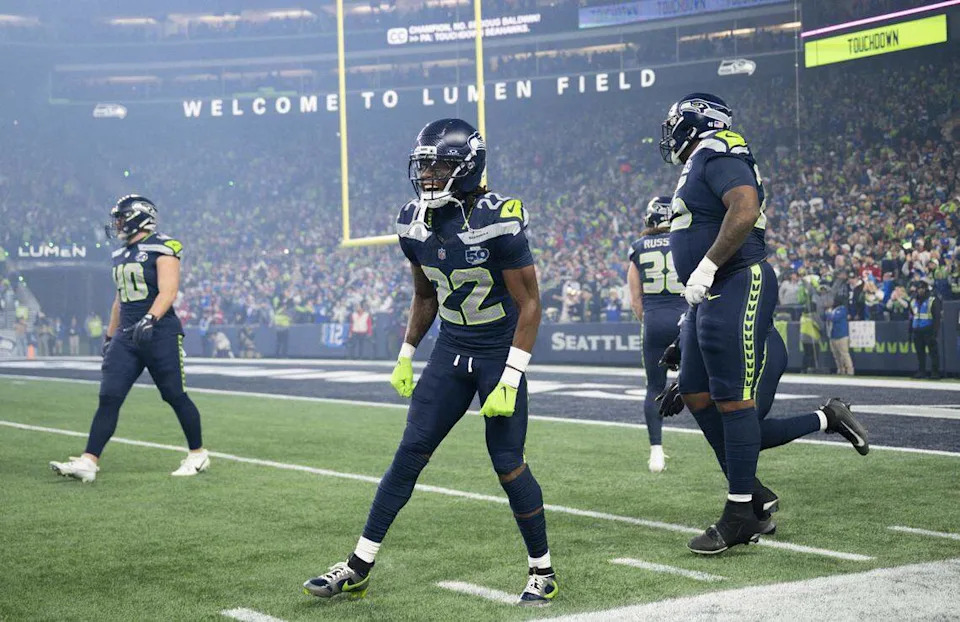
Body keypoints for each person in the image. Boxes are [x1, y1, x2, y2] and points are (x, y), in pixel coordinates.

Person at [304, 119, 556, 604]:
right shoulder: (414, 221)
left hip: (497, 351)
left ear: (466, 167)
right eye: (424, 166)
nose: (429, 176)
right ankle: (358, 567)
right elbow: (425, 294)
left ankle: (542, 571)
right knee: (409, 454)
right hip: (451, 348)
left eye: (440, 165)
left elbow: (530, 304)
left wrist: (511, 375)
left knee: (507, 463)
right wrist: (406, 353)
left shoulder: (498, 217)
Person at [658, 93, 867, 555]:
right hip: (707, 297)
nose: (668, 133)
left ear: (696, 121)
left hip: (735, 282)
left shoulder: (719, 147)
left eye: (675, 123)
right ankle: (755, 492)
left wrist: (709, 265)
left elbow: (745, 208)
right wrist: (683, 334)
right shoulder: (697, 163)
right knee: (694, 393)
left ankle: (740, 514)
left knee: (736, 409)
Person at [49, 195, 209, 483]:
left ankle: (197, 454)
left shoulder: (164, 246)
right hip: (127, 333)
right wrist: (110, 335)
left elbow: (168, 291)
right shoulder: (120, 254)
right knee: (109, 397)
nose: (118, 223)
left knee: (173, 395)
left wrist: (151, 318)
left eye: (121, 217)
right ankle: (89, 460)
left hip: (159, 331)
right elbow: (119, 300)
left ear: (138, 216)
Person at [627, 196, 687, 473]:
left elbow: (635, 300)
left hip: (654, 320)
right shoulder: (685, 239)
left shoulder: (638, 247)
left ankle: (656, 453)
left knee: (654, 387)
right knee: (704, 382)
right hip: (685, 319)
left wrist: (650, 319)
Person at [910, 280, 941, 379]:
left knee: (933, 353)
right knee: (920, 353)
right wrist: (910, 331)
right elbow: (912, 316)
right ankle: (921, 371)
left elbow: (937, 317)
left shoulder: (932, 300)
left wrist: (935, 332)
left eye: (922, 288)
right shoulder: (914, 301)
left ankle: (935, 372)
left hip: (928, 329)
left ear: (926, 289)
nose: (920, 290)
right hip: (917, 330)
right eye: (918, 288)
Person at [826, 297, 854, 375]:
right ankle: (840, 369)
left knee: (844, 354)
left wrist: (828, 313)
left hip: (842, 335)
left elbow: (834, 318)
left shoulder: (842, 309)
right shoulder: (833, 310)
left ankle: (850, 370)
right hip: (833, 335)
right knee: (836, 355)